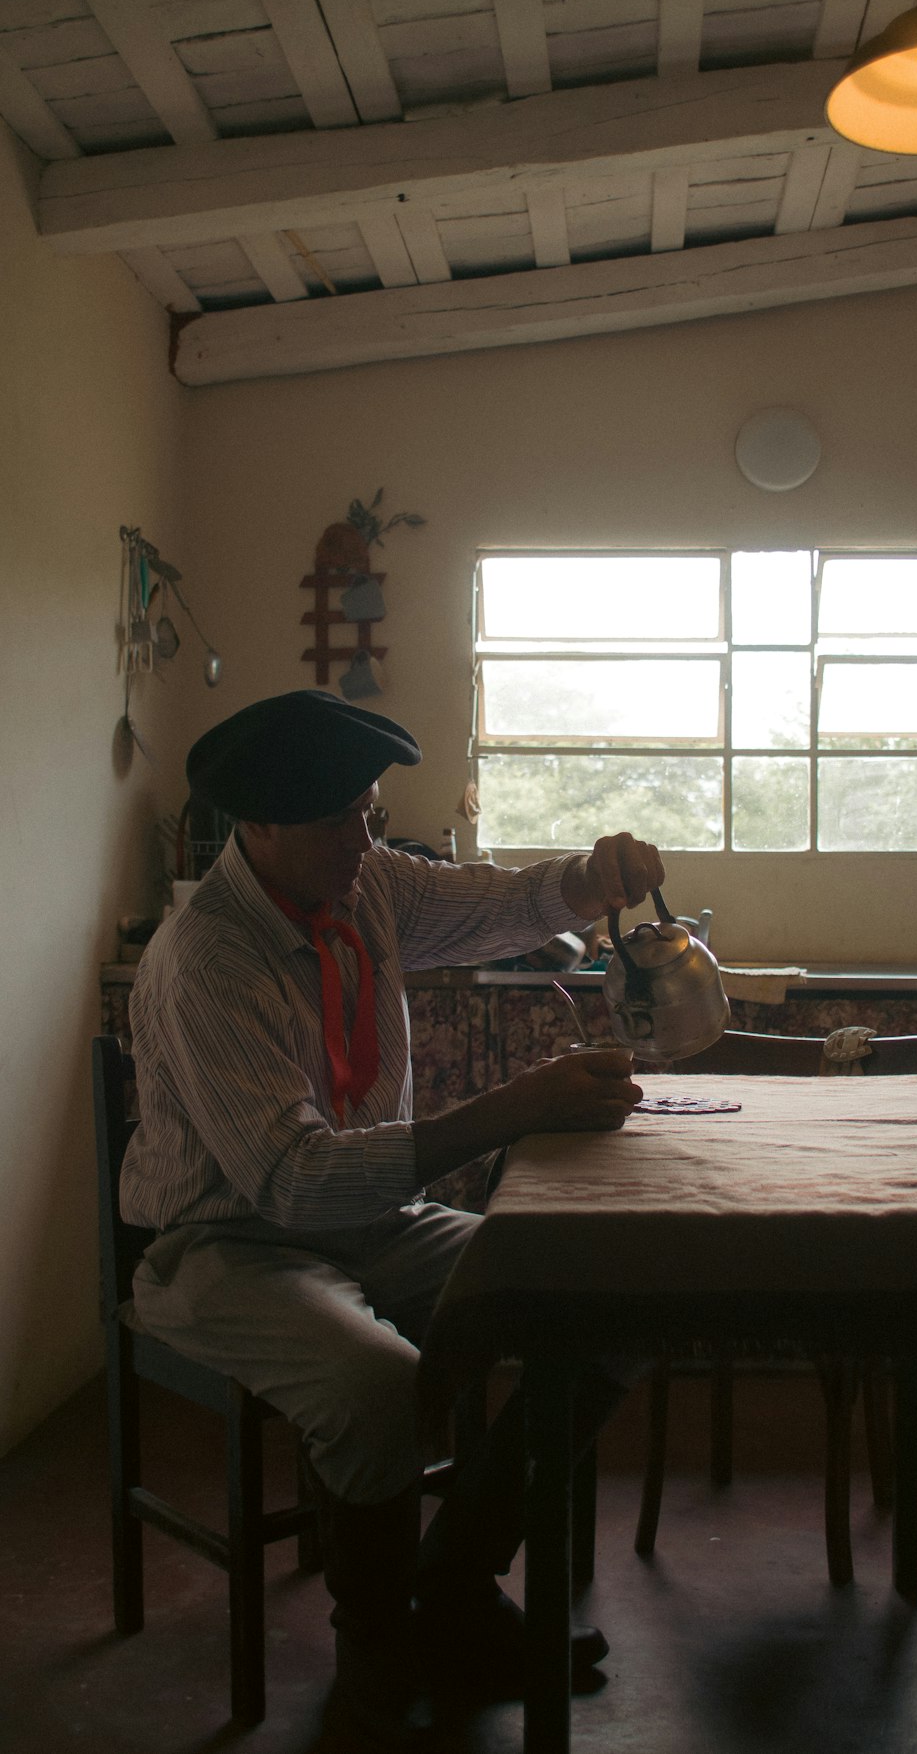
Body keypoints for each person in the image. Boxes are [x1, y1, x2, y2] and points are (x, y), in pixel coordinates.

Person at [121, 689, 664, 1743]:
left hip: (374, 1219)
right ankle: (375, 1640)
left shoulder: (361, 884)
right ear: (261, 824)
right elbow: (291, 1178)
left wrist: (590, 878)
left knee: (608, 1298)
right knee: (374, 1382)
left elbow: (492, 902)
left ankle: (452, 1586)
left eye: (371, 811)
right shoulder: (205, 958)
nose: (366, 840)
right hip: (224, 1244)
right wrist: (505, 1111)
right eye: (341, 819)